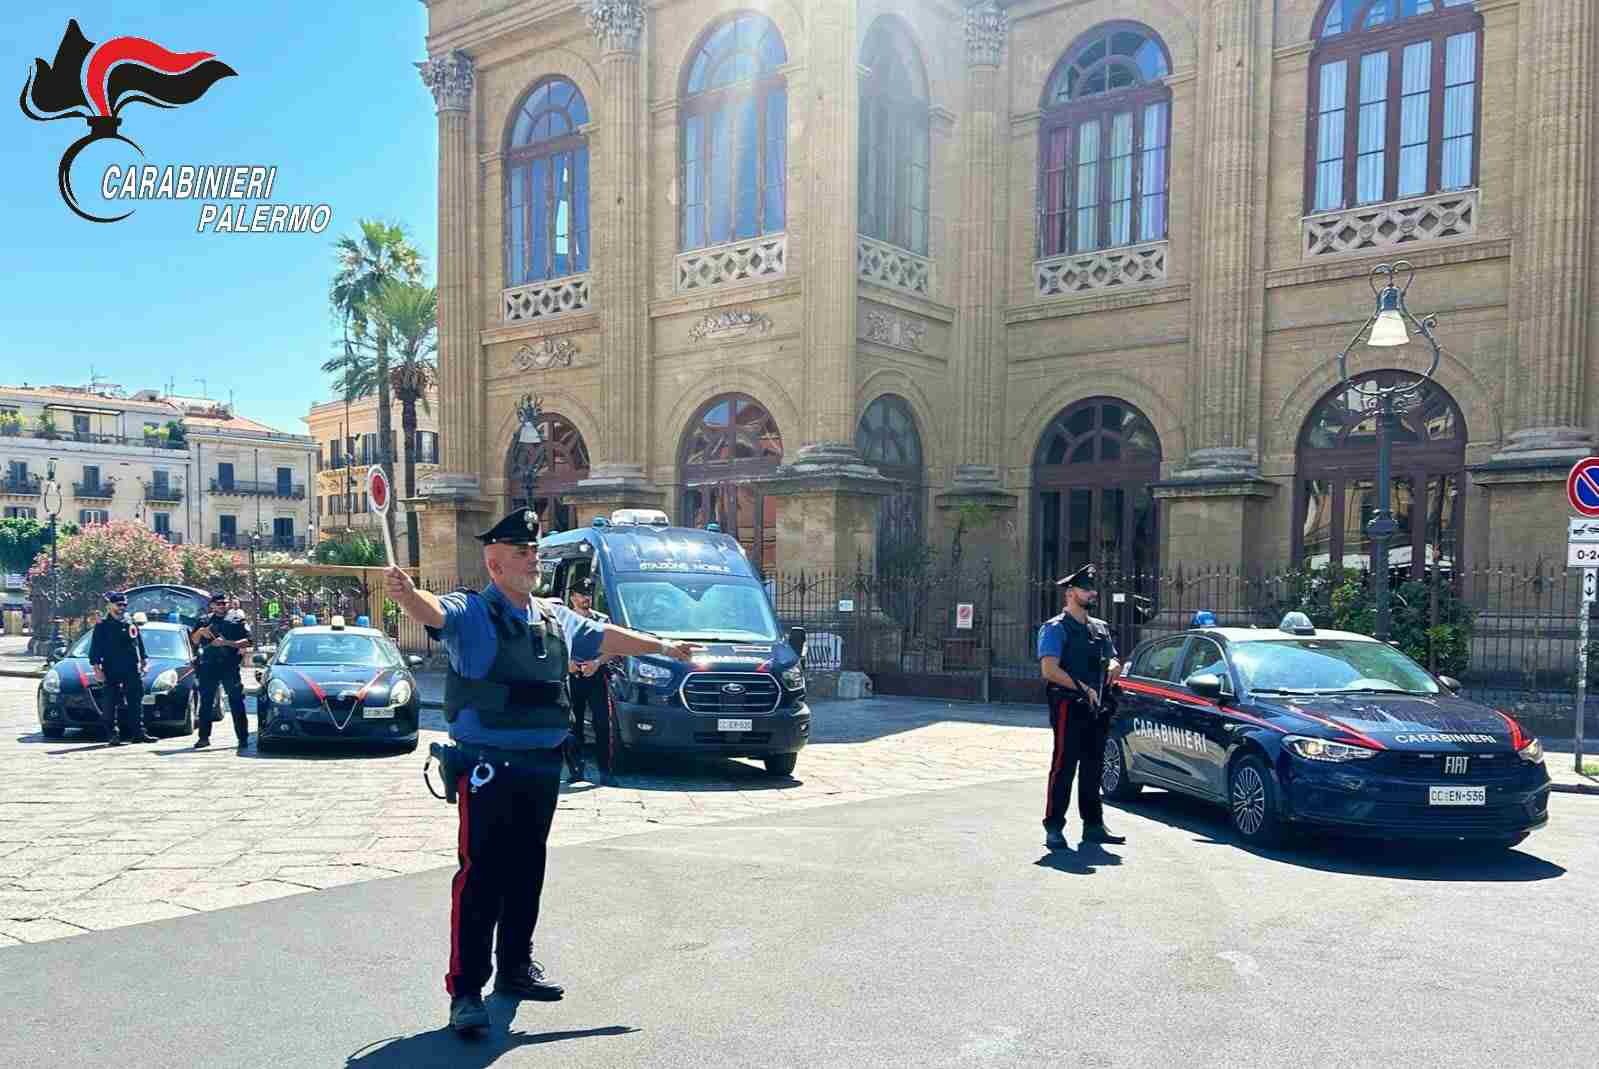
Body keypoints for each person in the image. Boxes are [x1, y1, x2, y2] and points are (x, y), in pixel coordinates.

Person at [384, 507, 695, 1036]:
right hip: (487, 768)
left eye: (533, 551)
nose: (532, 559)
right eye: (521, 553)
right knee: (480, 879)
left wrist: (663, 647)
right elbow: (432, 612)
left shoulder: (553, 616)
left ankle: (515, 969)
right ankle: (465, 993)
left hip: (541, 767)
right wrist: (405, 594)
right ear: (494, 563)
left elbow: (605, 636)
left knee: (527, 873)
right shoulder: (472, 611)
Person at [1037, 564, 1124, 850]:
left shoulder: (1100, 628)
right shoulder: (1055, 628)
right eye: (1086, 588)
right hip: (1068, 705)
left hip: (1098, 706)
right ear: (1071, 592)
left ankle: (1093, 825)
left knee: (1093, 767)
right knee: (1064, 765)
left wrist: (1114, 665)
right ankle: (1054, 827)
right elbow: (1049, 670)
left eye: (1093, 588)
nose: (1092, 592)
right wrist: (1081, 687)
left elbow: (1112, 658)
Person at [563, 574, 616, 786]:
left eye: (589, 594)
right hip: (573, 677)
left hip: (596, 676)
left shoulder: (602, 620)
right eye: (582, 595)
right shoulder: (564, 619)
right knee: (573, 725)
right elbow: (556, 644)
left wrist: (598, 662)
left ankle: (606, 771)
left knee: (602, 723)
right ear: (573, 597)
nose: (587, 598)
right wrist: (567, 663)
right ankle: (576, 769)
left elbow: (614, 648)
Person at [190, 592, 252, 752]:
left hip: (229, 666)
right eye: (218, 603)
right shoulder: (204, 621)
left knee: (236, 701)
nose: (222, 606)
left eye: (224, 603)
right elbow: (194, 641)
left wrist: (226, 643)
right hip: (208, 666)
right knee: (206, 702)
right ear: (211, 605)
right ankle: (203, 738)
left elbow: (247, 641)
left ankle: (243, 738)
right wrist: (200, 632)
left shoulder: (237, 620)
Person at [89, 592, 150, 745]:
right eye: (118, 605)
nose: (121, 608)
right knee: (110, 703)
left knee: (135, 701)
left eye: (124, 605)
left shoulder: (130, 622)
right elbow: (95, 648)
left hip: (131, 667)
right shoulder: (102, 625)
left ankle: (138, 733)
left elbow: (138, 643)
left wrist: (144, 660)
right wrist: (97, 669)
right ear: (110, 606)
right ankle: (112, 735)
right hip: (111, 668)